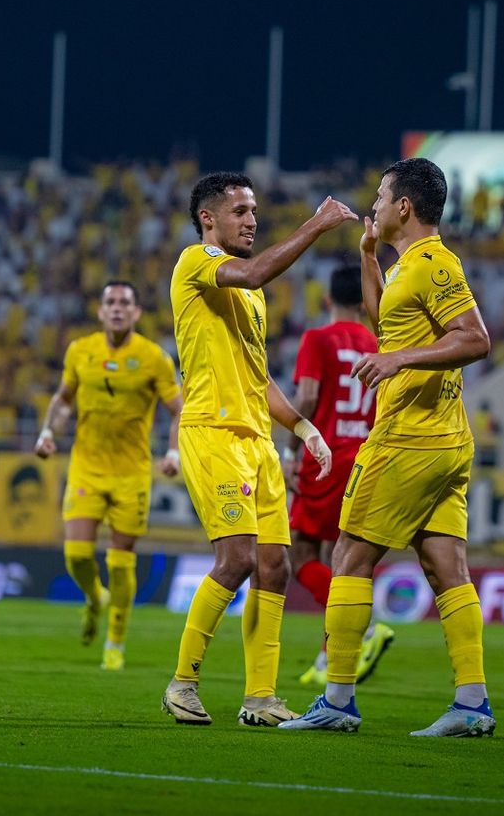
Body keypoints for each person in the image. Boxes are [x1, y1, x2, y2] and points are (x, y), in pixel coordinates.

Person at [280, 157, 496, 737]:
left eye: (380, 198)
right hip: (447, 439)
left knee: (349, 555)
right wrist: (368, 255)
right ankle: (472, 704)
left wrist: (398, 361)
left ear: (405, 206)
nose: (372, 206)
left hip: (410, 436)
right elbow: (386, 325)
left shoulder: (433, 263)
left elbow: (475, 338)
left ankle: (338, 700)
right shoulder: (404, 268)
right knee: (446, 564)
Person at [161, 171, 358, 727]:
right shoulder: (195, 261)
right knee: (238, 559)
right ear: (209, 219)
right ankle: (183, 683)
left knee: (276, 568)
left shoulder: (250, 298)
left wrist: (302, 428)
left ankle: (260, 698)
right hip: (213, 433)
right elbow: (253, 268)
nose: (251, 220)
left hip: (258, 441)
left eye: (254, 211)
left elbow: (259, 376)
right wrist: (317, 224)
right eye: (241, 211)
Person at [34, 281, 183, 671]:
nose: (117, 308)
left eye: (125, 303)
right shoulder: (80, 351)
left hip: (132, 473)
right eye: (110, 302)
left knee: (121, 561)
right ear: (100, 311)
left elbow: (179, 409)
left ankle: (114, 642)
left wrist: (174, 452)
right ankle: (95, 597)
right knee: (77, 554)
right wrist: (49, 432)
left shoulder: (153, 358)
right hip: (87, 465)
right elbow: (63, 399)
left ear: (135, 313)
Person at [283, 264, 394, 688]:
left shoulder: (316, 339)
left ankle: (364, 626)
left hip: (325, 457)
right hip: (366, 457)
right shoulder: (378, 343)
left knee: (302, 556)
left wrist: (292, 449)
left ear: (327, 300)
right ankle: (331, 658)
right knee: (341, 561)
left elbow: (308, 396)